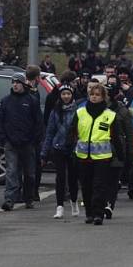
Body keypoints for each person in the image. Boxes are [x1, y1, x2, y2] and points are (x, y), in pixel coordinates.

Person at [70, 83, 125, 225]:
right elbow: (72, 132)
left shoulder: (110, 116)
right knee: (86, 186)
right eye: (92, 94)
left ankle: (98, 214)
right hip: (83, 156)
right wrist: (70, 148)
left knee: (99, 186)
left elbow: (116, 137)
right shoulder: (80, 112)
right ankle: (89, 213)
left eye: (97, 95)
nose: (94, 97)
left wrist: (122, 155)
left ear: (103, 97)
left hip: (102, 157)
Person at [0, 72, 43, 211]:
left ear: (23, 84)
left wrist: (35, 140)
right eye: (13, 82)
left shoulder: (31, 101)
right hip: (11, 142)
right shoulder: (6, 101)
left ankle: (28, 198)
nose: (15, 85)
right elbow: (1, 121)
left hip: (28, 143)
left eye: (17, 82)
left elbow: (38, 122)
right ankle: (10, 199)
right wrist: (3, 138)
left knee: (29, 173)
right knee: (11, 171)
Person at [41, 85, 79, 218]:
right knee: (60, 178)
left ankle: (74, 201)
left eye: (68, 94)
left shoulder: (78, 111)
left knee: (73, 178)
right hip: (58, 147)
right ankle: (59, 206)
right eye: (63, 94)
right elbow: (50, 132)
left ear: (72, 95)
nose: (66, 96)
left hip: (74, 148)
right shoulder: (55, 112)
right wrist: (44, 153)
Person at [103, 78, 133, 219]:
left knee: (113, 180)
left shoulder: (122, 112)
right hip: (101, 150)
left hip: (117, 151)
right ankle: (101, 203)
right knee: (101, 179)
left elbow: (129, 133)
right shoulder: (98, 110)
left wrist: (130, 153)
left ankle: (109, 203)